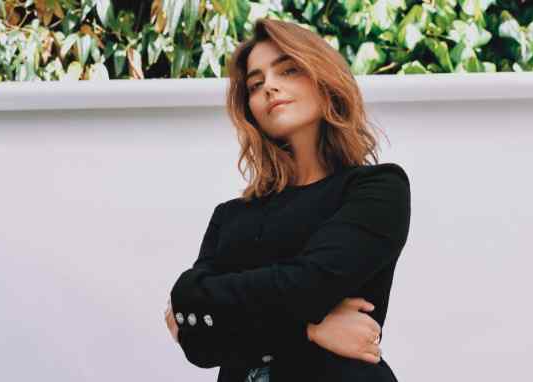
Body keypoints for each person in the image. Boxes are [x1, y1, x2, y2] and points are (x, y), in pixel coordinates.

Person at [164, 18, 411, 382]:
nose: (270, 88)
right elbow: (197, 340)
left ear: (324, 80)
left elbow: (307, 285)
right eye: (255, 84)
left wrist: (215, 303)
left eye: (288, 70)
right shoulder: (232, 215)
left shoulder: (376, 189)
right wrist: (310, 331)